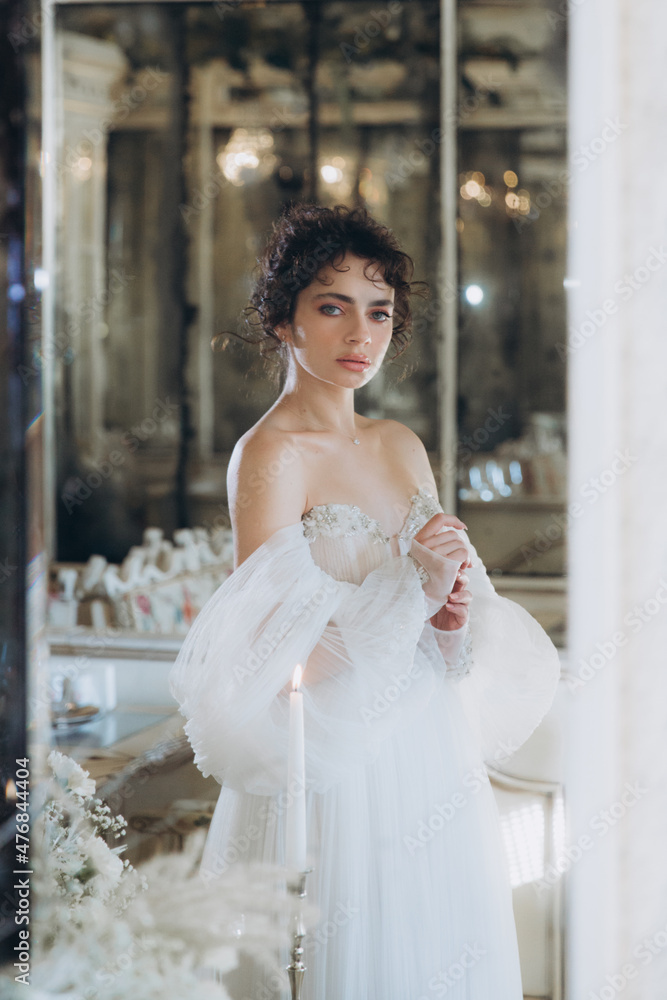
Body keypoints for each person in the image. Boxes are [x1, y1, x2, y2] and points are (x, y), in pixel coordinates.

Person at [168, 203, 561, 999]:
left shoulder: (399, 445)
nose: (360, 336)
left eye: (378, 312)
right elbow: (274, 652)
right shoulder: (271, 456)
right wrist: (407, 585)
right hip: (338, 764)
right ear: (283, 320)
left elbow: (437, 638)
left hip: (429, 751)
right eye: (331, 306)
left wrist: (449, 615)